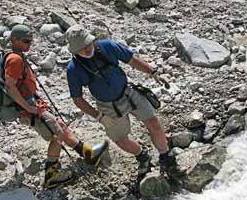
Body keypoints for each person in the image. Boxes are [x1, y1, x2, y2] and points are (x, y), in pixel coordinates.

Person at [65, 24, 185, 180]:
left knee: (153, 122)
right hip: (107, 106)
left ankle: (167, 159)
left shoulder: (107, 46)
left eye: (88, 44)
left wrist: (153, 72)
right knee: (120, 139)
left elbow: (132, 60)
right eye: (81, 48)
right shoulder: (73, 69)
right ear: (74, 51)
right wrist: (99, 116)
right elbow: (78, 100)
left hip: (129, 92)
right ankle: (142, 156)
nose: (87, 49)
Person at [4, 24, 109, 189]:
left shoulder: (15, 55)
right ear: (14, 40)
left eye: (31, 41)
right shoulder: (15, 59)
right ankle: (51, 175)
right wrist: (29, 108)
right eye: (25, 41)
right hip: (29, 109)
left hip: (32, 105)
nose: (29, 45)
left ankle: (88, 154)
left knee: (59, 125)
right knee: (57, 134)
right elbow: (10, 87)